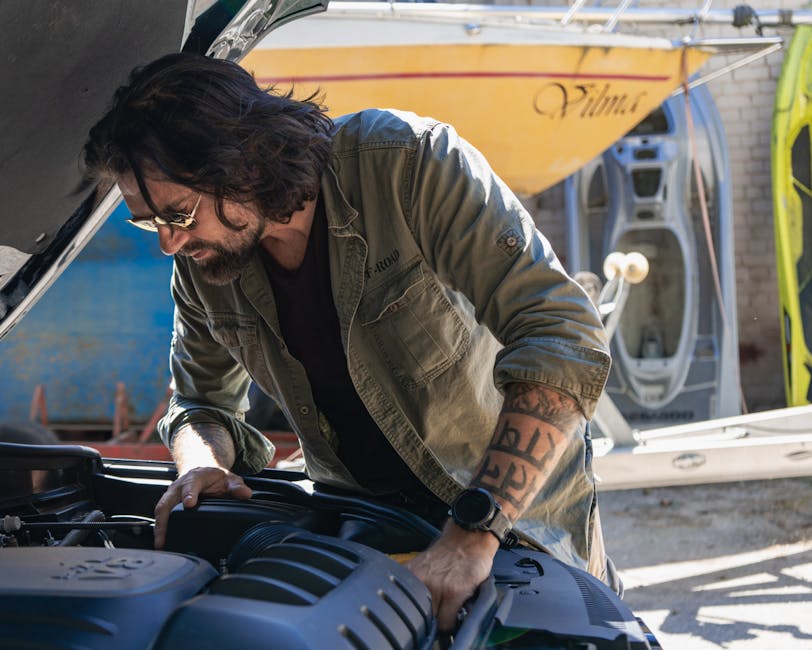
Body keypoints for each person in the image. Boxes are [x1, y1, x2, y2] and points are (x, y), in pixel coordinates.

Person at [82, 52, 614, 631]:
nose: (167, 243)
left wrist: (473, 533)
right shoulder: (205, 265)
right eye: (146, 222)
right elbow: (201, 404)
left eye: (179, 213)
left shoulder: (408, 164)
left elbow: (561, 335)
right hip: (366, 531)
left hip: (517, 527)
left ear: (241, 163)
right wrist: (199, 465)